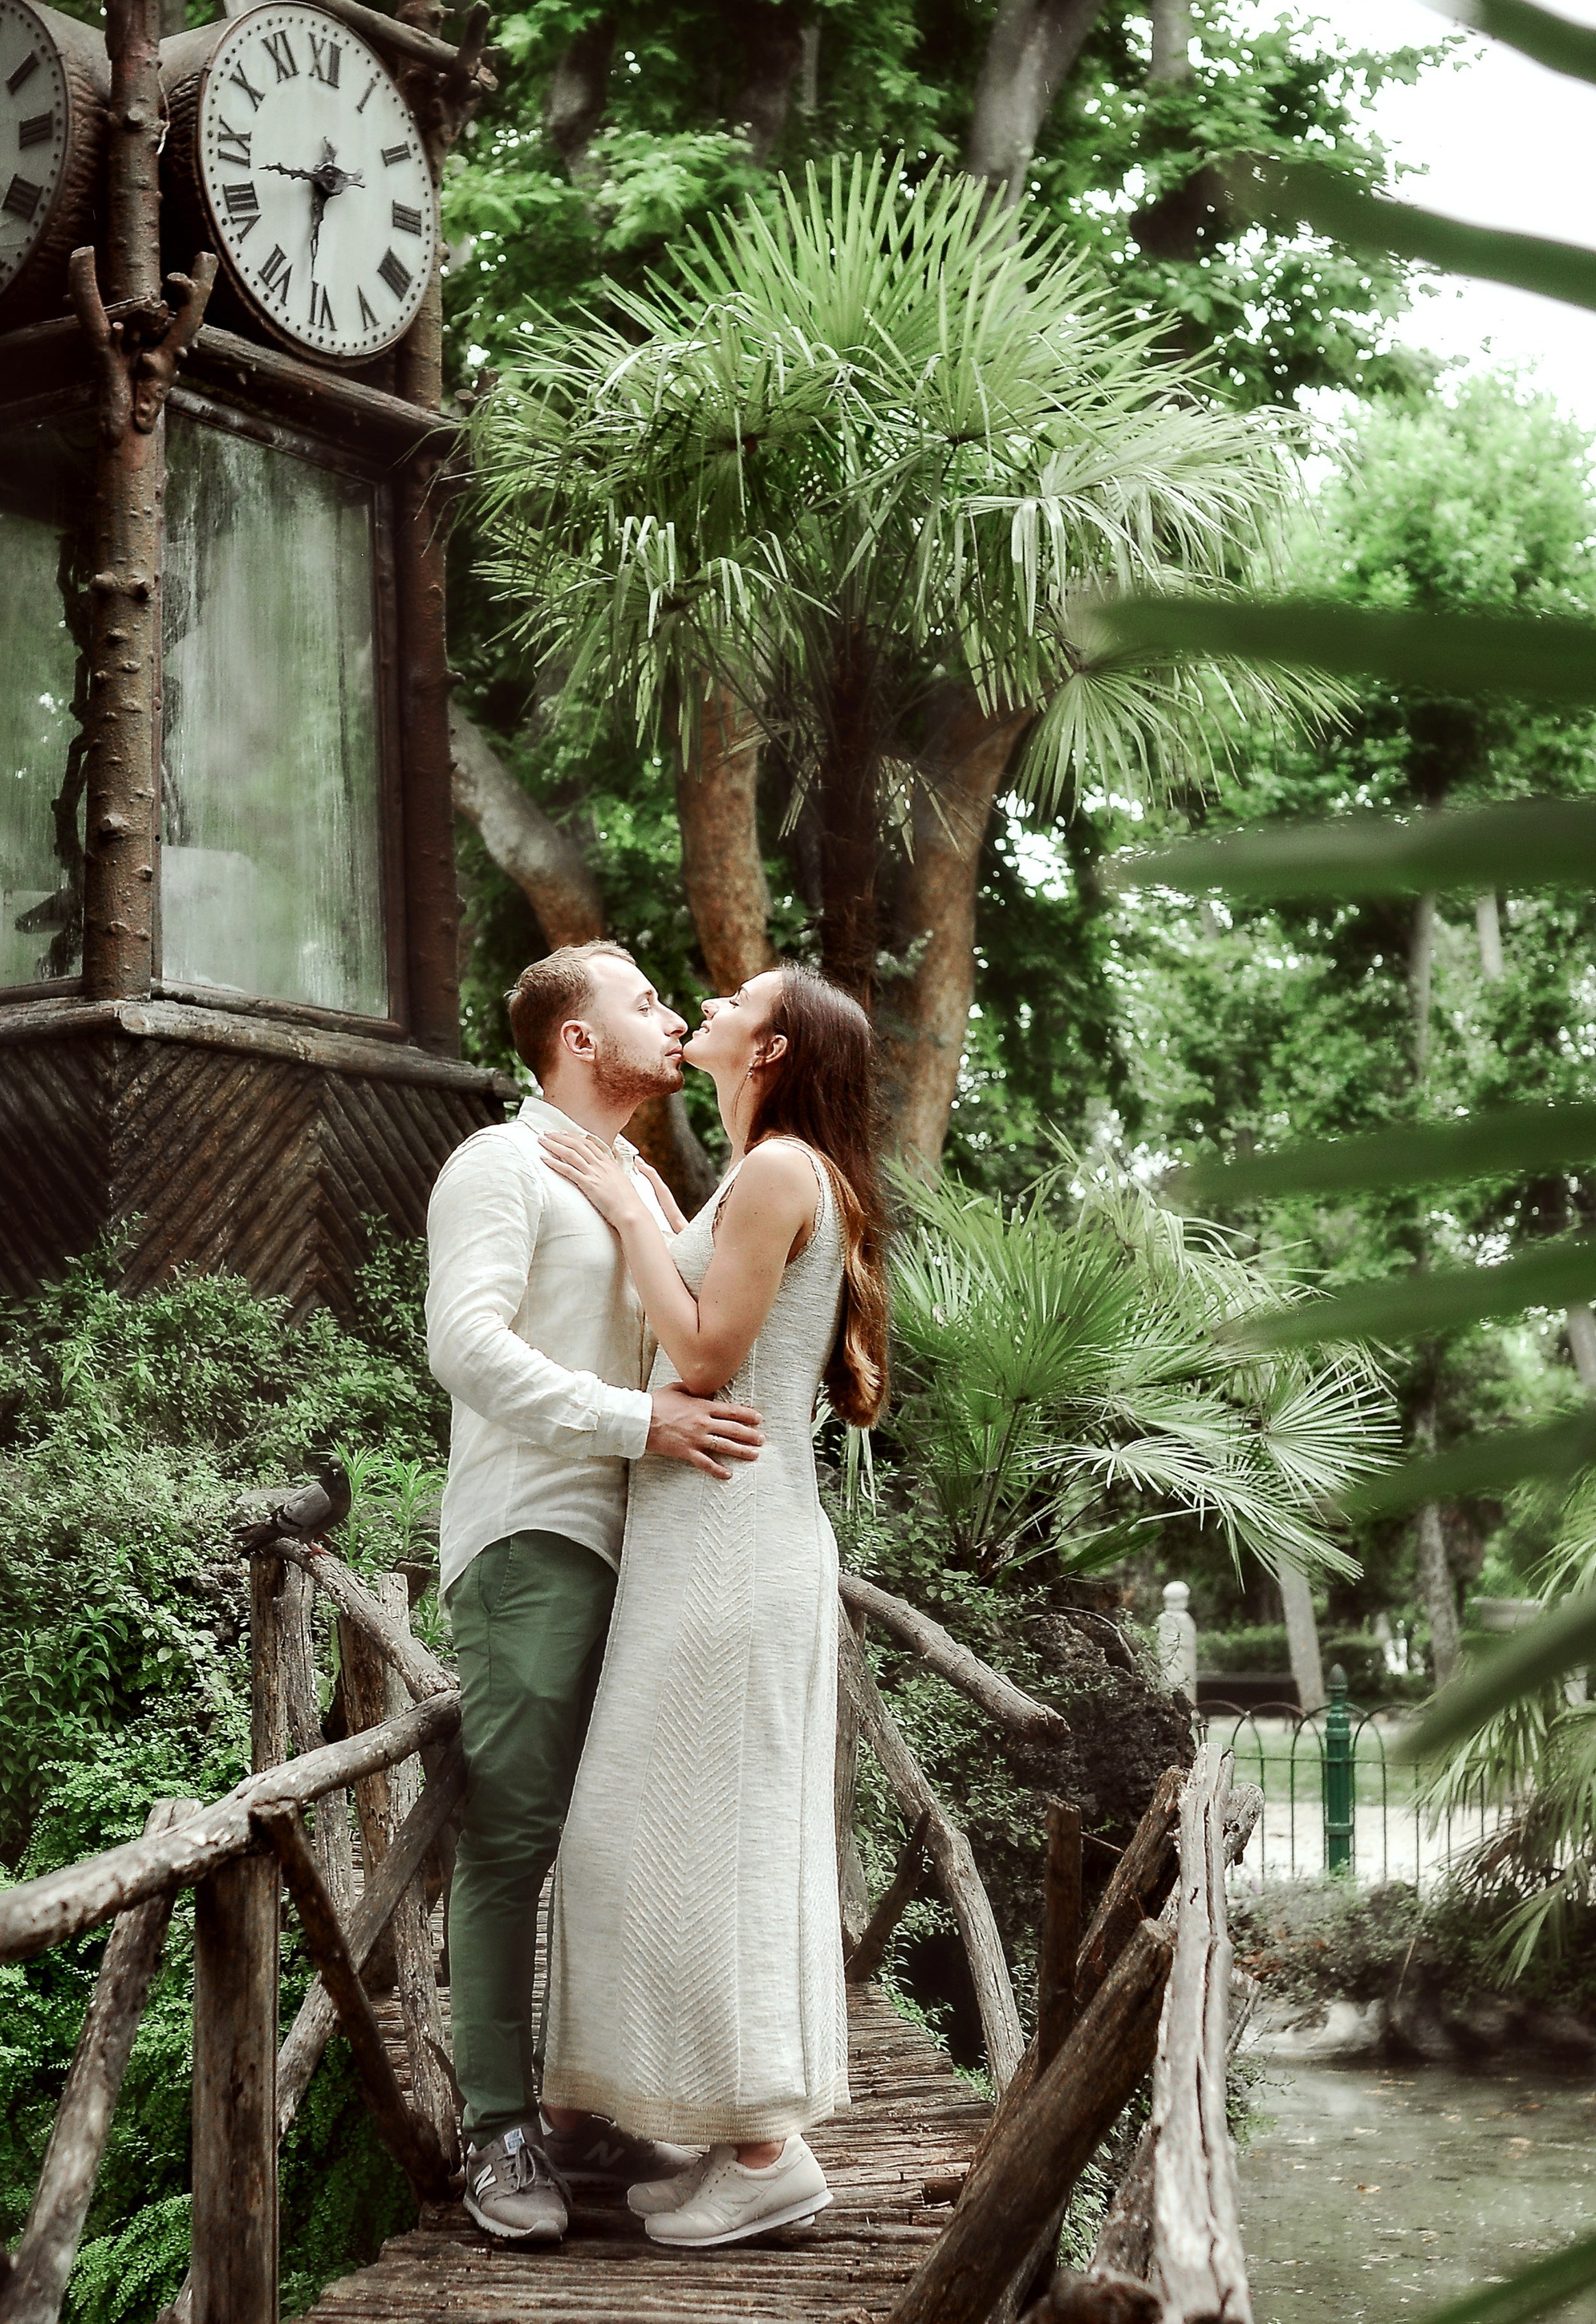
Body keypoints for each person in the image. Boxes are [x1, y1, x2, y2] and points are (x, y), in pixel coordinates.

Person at [534, 965, 887, 2251]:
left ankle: (764, 2150)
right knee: (656, 1830)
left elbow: (702, 1354)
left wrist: (628, 1215)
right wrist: (645, 1205)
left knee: (698, 1834)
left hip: (733, 1546)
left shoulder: (785, 1169)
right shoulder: (761, 1174)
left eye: (734, 998)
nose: (709, 1006)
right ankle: (686, 2120)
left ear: (772, 1043)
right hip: (702, 1539)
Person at [425, 941, 766, 2246]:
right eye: (644, 1002)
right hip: (537, 1537)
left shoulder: (632, 1177)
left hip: (646, 1550)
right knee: (513, 1834)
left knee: (616, 1836)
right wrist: (641, 1421)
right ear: (576, 1038)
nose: (671, 1016)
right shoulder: (498, 1165)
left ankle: (589, 2104)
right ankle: (498, 2129)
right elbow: (465, 1346)